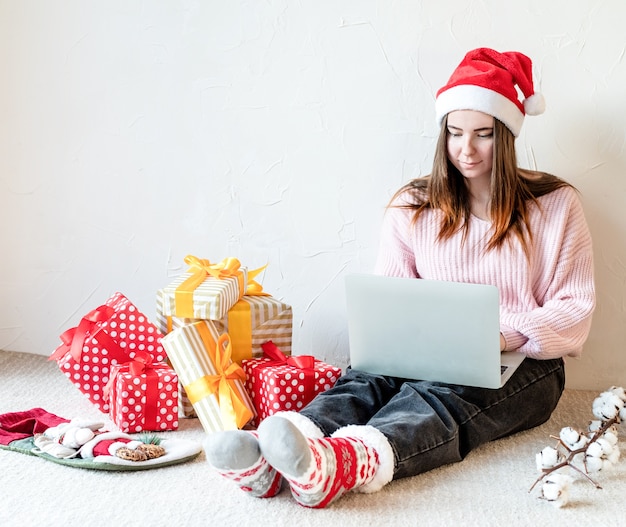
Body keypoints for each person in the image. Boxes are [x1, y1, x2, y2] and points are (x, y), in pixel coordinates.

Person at [204, 48, 596, 508]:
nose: (465, 149)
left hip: (525, 361)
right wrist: (398, 345)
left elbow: (575, 310)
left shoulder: (555, 205)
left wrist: (502, 336)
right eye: (454, 133)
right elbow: (390, 302)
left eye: (483, 135)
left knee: (439, 400)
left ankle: (348, 461)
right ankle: (281, 453)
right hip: (422, 351)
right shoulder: (413, 206)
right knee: (366, 379)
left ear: (507, 135)